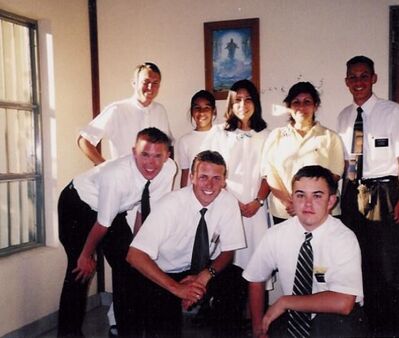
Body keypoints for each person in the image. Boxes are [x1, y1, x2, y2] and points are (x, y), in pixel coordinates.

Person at [57, 128, 176, 337]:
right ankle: (68, 334)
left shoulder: (168, 170)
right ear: (133, 152)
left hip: (113, 209)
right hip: (78, 205)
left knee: (130, 267)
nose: (151, 163)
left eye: (158, 156)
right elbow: (102, 224)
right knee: (79, 271)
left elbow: (145, 210)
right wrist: (86, 255)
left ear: (168, 155)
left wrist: (140, 250)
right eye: (144, 155)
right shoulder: (117, 175)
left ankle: (127, 332)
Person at [127, 150, 246, 337]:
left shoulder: (228, 202)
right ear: (192, 177)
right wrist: (178, 289)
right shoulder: (171, 205)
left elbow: (228, 251)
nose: (210, 184)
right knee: (165, 329)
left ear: (224, 181)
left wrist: (205, 276)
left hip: (201, 269)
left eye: (216, 178)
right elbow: (134, 255)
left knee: (236, 279)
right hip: (163, 273)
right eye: (203, 177)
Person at [337, 55, 399, 337]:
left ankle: (393, 331)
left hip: (384, 192)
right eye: (353, 77)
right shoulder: (344, 116)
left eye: (363, 76)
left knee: (388, 268)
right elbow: (346, 163)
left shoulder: (392, 111)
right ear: (347, 82)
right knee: (357, 263)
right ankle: (366, 328)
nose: (358, 82)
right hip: (351, 193)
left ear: (374, 78)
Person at [243, 165, 366, 338]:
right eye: (300, 195)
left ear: (331, 201)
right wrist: (258, 329)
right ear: (292, 198)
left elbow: (344, 302)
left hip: (336, 319)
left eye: (317, 196)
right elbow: (255, 278)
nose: (307, 204)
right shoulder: (276, 234)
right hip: (294, 316)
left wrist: (285, 302)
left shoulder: (343, 238)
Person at [219, 79, 271, 323]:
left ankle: (257, 324)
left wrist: (258, 201)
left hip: (256, 211)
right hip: (228, 210)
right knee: (228, 266)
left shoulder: (267, 134)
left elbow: (270, 173)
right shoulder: (221, 133)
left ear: (255, 103)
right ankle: (231, 322)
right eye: (237, 99)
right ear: (231, 103)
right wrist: (233, 204)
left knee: (256, 267)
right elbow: (216, 174)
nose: (243, 104)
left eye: (248, 98)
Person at [261, 82, 344, 224]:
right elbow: (270, 173)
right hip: (285, 211)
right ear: (289, 107)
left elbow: (334, 175)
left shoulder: (330, 137)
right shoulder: (276, 136)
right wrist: (289, 202)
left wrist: (306, 202)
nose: (301, 107)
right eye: (296, 102)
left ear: (315, 106)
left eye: (307, 102)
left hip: (321, 211)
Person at [78, 62, 172, 164]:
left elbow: (167, 145)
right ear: (134, 83)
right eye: (146, 82)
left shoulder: (160, 110)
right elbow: (84, 140)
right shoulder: (117, 110)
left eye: (155, 83)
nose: (150, 87)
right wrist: (105, 167)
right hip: (124, 176)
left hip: (154, 177)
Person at [176, 90, 223, 188]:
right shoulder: (184, 141)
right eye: (197, 108)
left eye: (207, 108)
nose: (201, 112)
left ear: (214, 111)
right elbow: (185, 173)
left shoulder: (223, 135)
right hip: (194, 195)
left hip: (217, 192)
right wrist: (184, 198)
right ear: (192, 111)